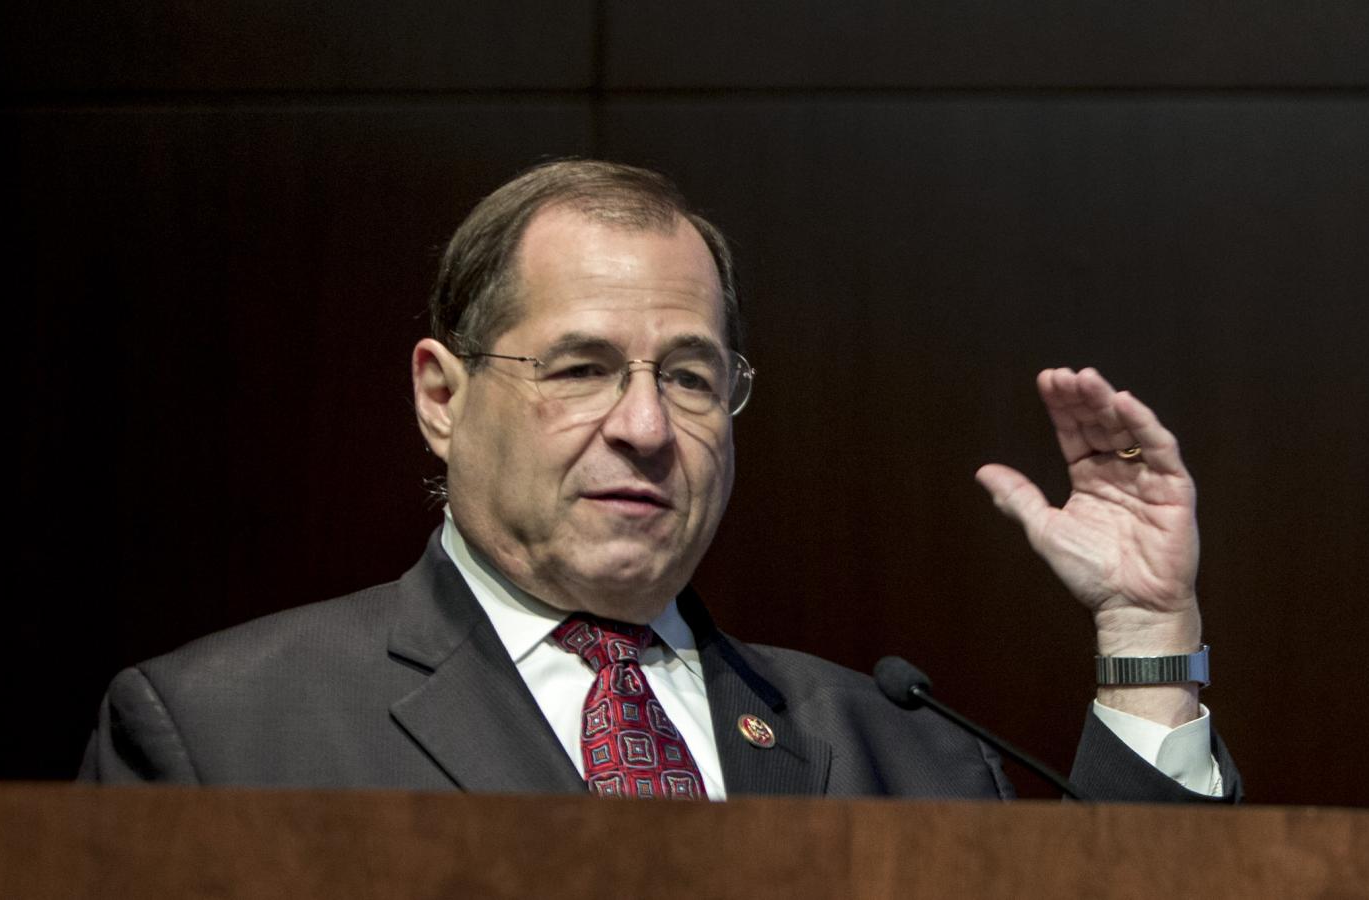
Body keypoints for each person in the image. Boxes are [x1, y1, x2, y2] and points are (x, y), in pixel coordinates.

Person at [81, 160, 1237, 802]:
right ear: (441, 396)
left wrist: (1146, 631)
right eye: (581, 368)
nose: (644, 427)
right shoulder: (223, 734)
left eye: (687, 377)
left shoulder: (906, 755)